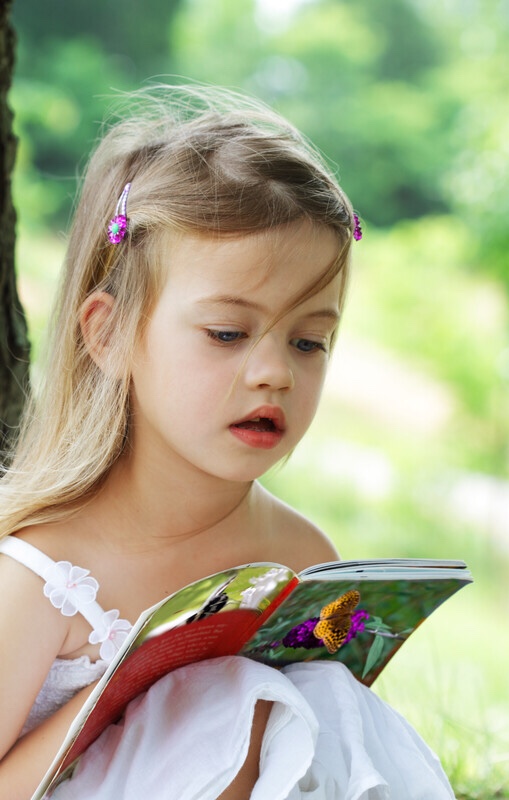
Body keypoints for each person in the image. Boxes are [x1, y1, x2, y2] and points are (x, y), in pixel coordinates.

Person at [0, 84, 455, 800]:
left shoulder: (302, 559)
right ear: (109, 333)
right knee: (232, 701)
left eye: (309, 341)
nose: (274, 372)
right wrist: (129, 694)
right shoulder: (43, 573)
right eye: (227, 334)